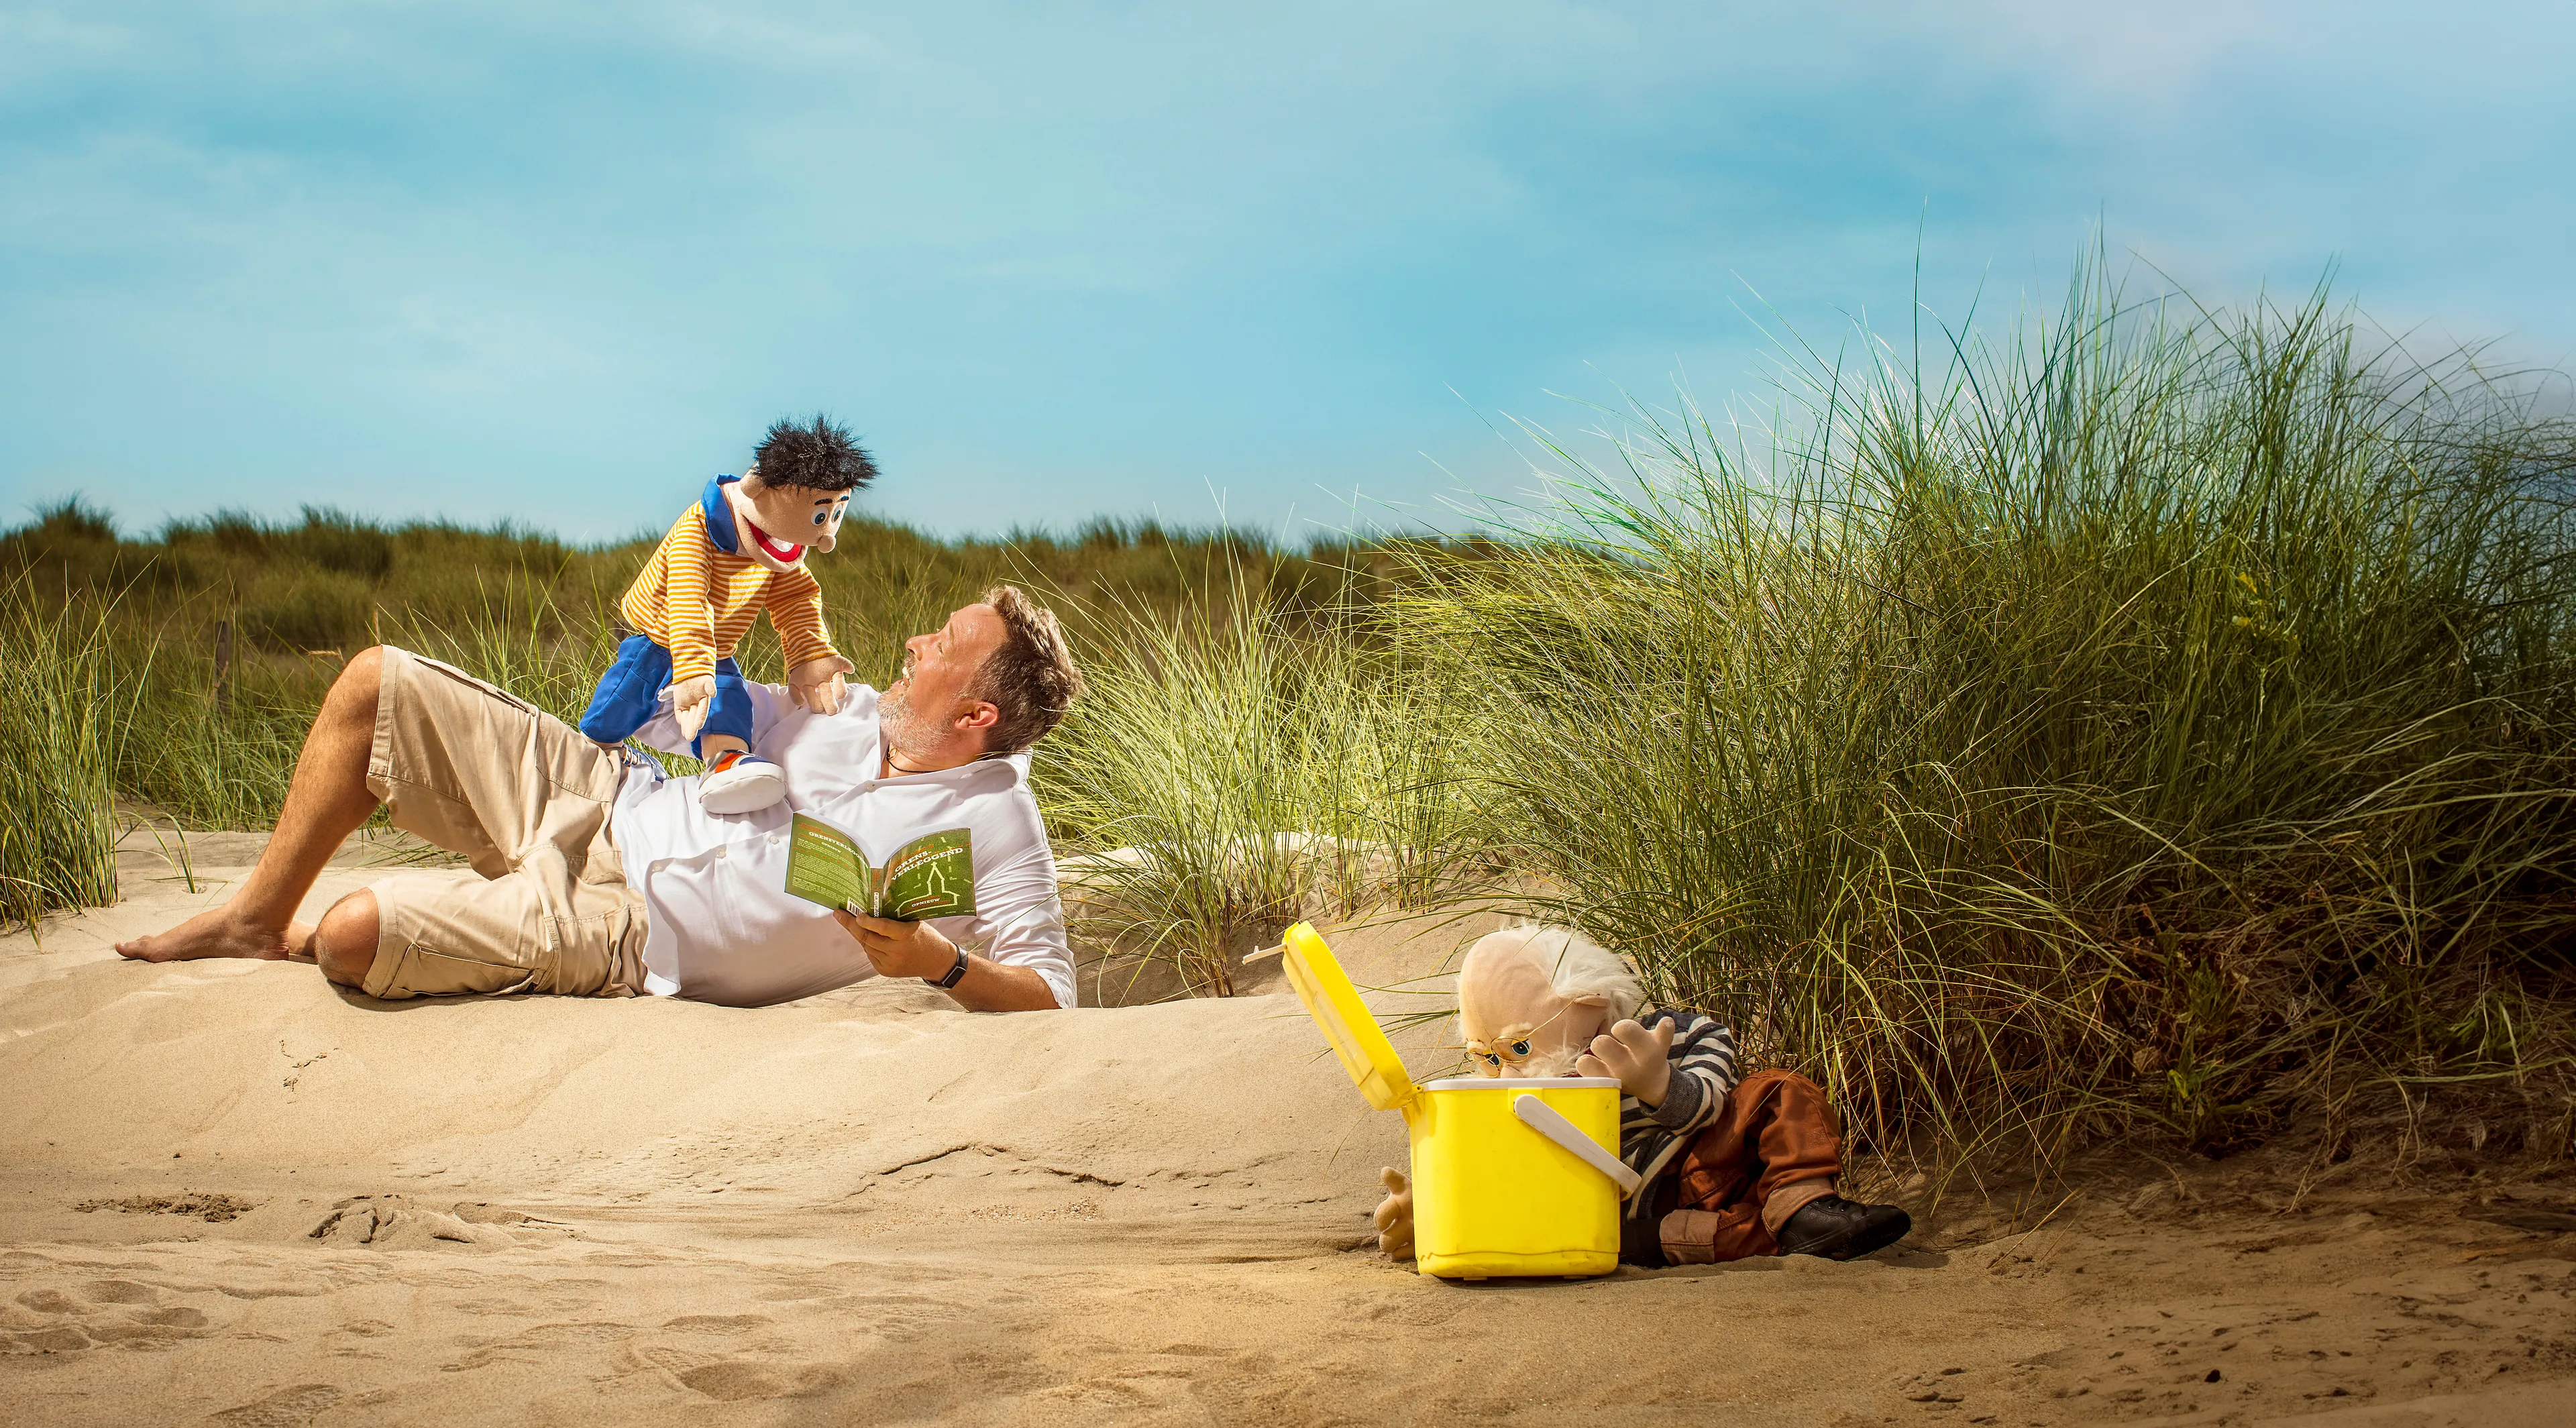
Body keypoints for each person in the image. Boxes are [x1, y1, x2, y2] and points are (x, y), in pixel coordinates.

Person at [115, 588, 1084, 1013]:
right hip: (610, 795)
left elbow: (1049, 992)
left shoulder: (997, 820)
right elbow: (696, 720)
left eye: (941, 645)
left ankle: (356, 922)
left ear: (976, 713)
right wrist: (685, 681)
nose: (916, 644)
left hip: (623, 931)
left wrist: (938, 961)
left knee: (351, 937)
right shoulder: (850, 706)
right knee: (378, 683)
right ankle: (250, 917)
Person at [1373, 924, 1913, 1265]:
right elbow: (1495, 1180)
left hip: (1708, 1160)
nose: (1504, 1067)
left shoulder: (1672, 1033)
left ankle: (1805, 1209)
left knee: (1781, 1090)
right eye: (1487, 1055)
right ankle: (1769, 1236)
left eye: (1518, 1045)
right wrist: (1434, 1207)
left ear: (1587, 1002)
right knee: (1733, 1233)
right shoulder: (1499, 1100)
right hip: (1624, 1223)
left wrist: (1659, 1085)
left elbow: (1713, 1102)